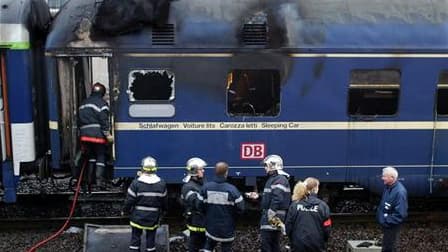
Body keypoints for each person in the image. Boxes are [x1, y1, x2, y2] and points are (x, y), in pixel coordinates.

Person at [247, 154, 291, 252]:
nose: (265, 168)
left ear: (273, 165)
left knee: (267, 243)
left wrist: (271, 212)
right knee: (273, 243)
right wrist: (258, 196)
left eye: (266, 165)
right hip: (273, 214)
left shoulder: (278, 179)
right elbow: (272, 196)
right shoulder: (275, 179)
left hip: (273, 215)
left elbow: (277, 197)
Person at [123, 156, 167, 252]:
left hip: (137, 217)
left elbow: (129, 201)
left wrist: (125, 211)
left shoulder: (136, 183)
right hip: (153, 218)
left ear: (142, 168)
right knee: (151, 242)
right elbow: (164, 203)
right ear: (155, 169)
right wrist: (163, 213)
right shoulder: (162, 184)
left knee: (135, 240)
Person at [198, 162, 245, 252]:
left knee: (209, 246)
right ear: (226, 173)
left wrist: (207, 214)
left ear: (215, 172)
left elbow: (199, 206)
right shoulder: (232, 190)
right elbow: (241, 209)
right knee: (226, 248)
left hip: (210, 226)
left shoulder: (205, 188)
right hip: (227, 227)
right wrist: (233, 218)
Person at [78, 82, 113, 190]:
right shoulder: (102, 104)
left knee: (91, 156)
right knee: (101, 155)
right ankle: (99, 181)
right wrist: (108, 134)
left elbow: (78, 120)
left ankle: (89, 180)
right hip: (97, 135)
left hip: (84, 136)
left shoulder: (83, 103)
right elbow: (103, 120)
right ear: (102, 93)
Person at [285, 177, 332, 252]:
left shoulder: (294, 205)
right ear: (316, 189)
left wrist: (292, 240)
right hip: (317, 244)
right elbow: (327, 228)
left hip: (298, 244)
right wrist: (324, 240)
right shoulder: (323, 206)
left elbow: (288, 226)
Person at [377, 166, 408, 252]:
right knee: (386, 247)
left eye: (384, 176)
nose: (382, 178)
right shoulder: (388, 187)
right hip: (387, 225)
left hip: (392, 227)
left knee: (390, 248)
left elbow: (401, 214)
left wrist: (385, 220)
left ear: (392, 178)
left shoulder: (399, 192)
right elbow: (383, 205)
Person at [181, 157, 207, 252]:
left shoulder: (201, 183)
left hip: (203, 222)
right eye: (201, 169)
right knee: (194, 245)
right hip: (196, 222)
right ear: (194, 171)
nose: (203, 171)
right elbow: (197, 204)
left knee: (204, 246)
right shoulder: (188, 187)